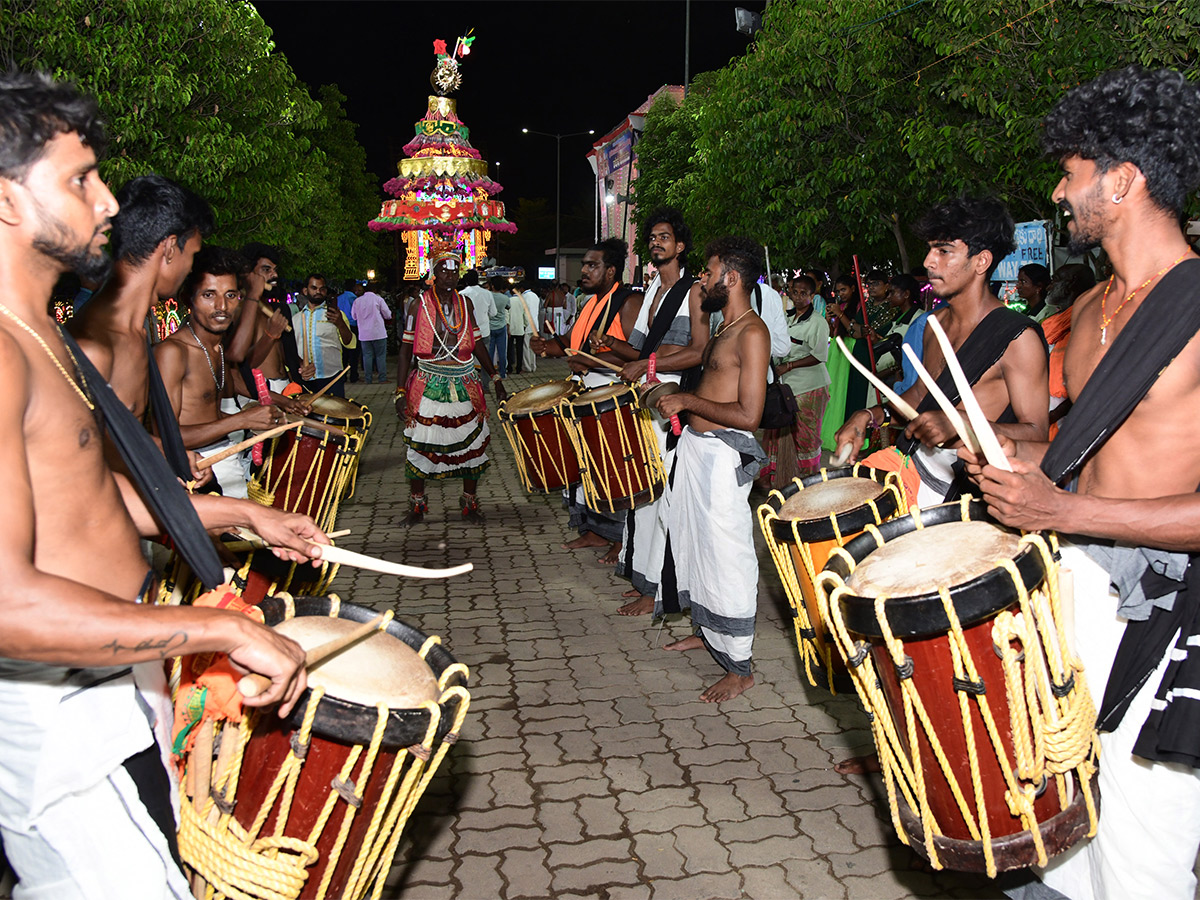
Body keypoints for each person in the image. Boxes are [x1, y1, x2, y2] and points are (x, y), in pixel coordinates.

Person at [0, 70, 322, 898]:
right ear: (6, 199)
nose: (107, 203)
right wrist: (215, 632)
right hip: (59, 707)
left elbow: (100, 497)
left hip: (111, 680)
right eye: (79, 180)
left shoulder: (41, 339)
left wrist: (241, 511)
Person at [965, 66, 1200, 900]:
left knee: (1141, 844)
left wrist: (1066, 506)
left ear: (1124, 180)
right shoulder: (1094, 305)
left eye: (1071, 176)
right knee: (1056, 819)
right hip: (1074, 586)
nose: (1061, 196)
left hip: (1161, 619)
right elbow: (1085, 445)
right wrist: (1016, 458)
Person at [835, 197, 1048, 509]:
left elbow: (1036, 433)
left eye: (944, 251)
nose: (928, 261)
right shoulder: (933, 324)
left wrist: (962, 426)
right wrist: (869, 416)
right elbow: (922, 394)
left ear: (981, 261)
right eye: (931, 249)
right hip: (914, 470)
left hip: (967, 496)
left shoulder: (1018, 338)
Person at [651, 236, 770, 702]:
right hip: (697, 449)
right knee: (694, 544)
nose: (702, 277)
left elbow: (749, 415)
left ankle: (740, 666)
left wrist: (687, 400)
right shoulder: (723, 326)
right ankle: (707, 633)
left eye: (708, 271)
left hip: (723, 455)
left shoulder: (752, 332)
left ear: (732, 278)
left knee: (727, 556)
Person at [606, 207, 707, 616]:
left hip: (676, 404)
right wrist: (611, 352)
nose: (656, 242)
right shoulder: (651, 291)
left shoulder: (695, 291)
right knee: (645, 496)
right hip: (647, 400)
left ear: (681, 246)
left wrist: (648, 365)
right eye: (652, 237)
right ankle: (646, 580)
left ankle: (664, 591)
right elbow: (642, 350)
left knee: (666, 499)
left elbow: (699, 351)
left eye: (664, 237)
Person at [530, 239, 642, 564]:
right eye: (584, 265)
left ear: (611, 270)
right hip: (584, 394)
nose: (584, 271)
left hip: (611, 398)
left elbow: (637, 356)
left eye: (592, 265)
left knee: (613, 469)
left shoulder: (628, 301)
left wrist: (588, 361)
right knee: (586, 470)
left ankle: (621, 538)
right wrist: (549, 346)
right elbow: (571, 341)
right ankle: (594, 530)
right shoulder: (590, 302)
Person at [154, 246, 287, 497]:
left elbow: (229, 393)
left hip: (226, 458)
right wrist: (242, 420)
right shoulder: (172, 353)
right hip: (197, 471)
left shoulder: (216, 346)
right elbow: (165, 439)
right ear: (187, 298)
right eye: (208, 295)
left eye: (231, 295)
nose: (221, 306)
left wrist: (272, 409)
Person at [395, 246, 507, 525]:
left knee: (472, 445)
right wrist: (399, 392)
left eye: (454, 270)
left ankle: (469, 503)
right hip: (428, 382)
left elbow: (478, 343)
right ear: (433, 273)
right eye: (444, 270)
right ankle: (417, 505)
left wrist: (495, 377)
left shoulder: (466, 304)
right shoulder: (417, 305)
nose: (450, 275)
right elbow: (405, 350)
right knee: (422, 445)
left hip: (465, 381)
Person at [760, 273, 829, 487]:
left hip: (809, 386)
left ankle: (809, 480)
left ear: (812, 295)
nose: (798, 297)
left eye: (803, 294)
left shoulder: (818, 322)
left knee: (805, 436)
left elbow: (818, 355)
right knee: (777, 432)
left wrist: (788, 366)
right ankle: (779, 478)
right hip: (785, 385)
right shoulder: (786, 317)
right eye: (795, 292)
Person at [226, 241, 299, 393]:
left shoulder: (279, 309)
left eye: (275, 270)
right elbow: (242, 367)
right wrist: (270, 336)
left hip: (287, 386)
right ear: (248, 273)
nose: (275, 275)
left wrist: (302, 366)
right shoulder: (236, 312)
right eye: (266, 270)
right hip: (259, 390)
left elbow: (286, 355)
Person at [292, 273, 353, 397]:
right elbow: (290, 349)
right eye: (314, 288)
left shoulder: (336, 315)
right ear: (305, 291)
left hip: (332, 377)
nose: (318, 291)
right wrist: (300, 366)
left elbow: (349, 342)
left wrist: (340, 323)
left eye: (322, 288)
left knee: (334, 415)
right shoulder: (296, 319)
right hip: (305, 380)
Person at [351, 281, 392, 384]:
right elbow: (388, 314)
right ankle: (382, 378)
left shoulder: (357, 301)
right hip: (378, 332)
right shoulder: (378, 299)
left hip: (364, 334)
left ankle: (368, 379)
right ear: (375, 290)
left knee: (367, 356)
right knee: (380, 356)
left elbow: (353, 316)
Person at [460, 268, 495, 350]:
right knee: (484, 358)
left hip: (468, 332)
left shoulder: (462, 294)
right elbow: (493, 313)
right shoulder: (487, 293)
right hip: (484, 331)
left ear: (465, 280)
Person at [335, 280, 360, 382]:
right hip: (352, 325)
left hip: (341, 325)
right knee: (354, 353)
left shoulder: (338, 298)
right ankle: (353, 375)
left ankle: (343, 376)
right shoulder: (353, 298)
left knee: (343, 354)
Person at [487, 276, 510, 376]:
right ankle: (503, 373)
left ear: (492, 286)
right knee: (502, 351)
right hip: (501, 326)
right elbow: (508, 307)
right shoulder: (505, 298)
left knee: (490, 352)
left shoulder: (488, 296)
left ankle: (490, 372)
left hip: (490, 326)